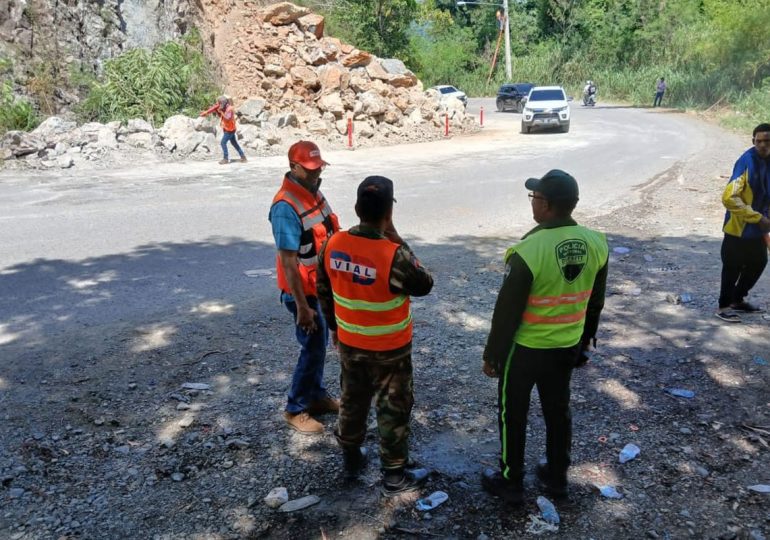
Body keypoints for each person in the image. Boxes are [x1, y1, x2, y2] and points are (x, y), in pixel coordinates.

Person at [480, 169, 608, 505]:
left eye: (535, 197)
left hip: (525, 350)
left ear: (547, 205)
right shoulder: (597, 243)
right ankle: (557, 477)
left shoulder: (528, 251)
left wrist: (493, 355)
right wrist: (585, 342)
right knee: (557, 410)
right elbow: (595, 301)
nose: (532, 202)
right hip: (566, 347)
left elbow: (506, 314)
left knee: (513, 414)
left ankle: (511, 480)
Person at [316, 176, 434, 496]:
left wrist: (335, 330)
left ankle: (351, 458)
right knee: (393, 406)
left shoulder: (332, 244)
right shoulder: (393, 254)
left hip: (351, 345)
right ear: (388, 214)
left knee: (353, 400)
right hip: (390, 350)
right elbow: (424, 283)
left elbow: (323, 291)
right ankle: (394, 474)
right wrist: (397, 237)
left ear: (356, 208)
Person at [269, 140, 341, 434]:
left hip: (319, 287)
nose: (315, 174)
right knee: (312, 346)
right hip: (303, 293)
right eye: (310, 170)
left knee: (319, 344)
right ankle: (295, 408)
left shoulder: (313, 192)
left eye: (318, 168)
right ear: (294, 167)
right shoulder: (286, 206)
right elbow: (288, 262)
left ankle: (316, 395)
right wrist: (301, 307)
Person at [715, 123, 770, 322]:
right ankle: (723, 306)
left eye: (767, 141)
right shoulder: (746, 161)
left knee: (759, 262)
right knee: (732, 266)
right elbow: (729, 197)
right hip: (738, 228)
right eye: (759, 141)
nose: (763, 145)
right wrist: (757, 217)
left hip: (758, 229)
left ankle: (737, 299)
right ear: (753, 141)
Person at [200, 95, 247, 165]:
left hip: (230, 130)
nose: (218, 104)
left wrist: (221, 112)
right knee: (234, 143)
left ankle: (225, 158)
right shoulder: (224, 106)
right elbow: (214, 108)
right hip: (227, 128)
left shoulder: (229, 109)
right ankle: (243, 157)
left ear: (222, 103)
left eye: (219, 103)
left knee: (223, 143)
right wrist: (206, 112)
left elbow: (227, 118)